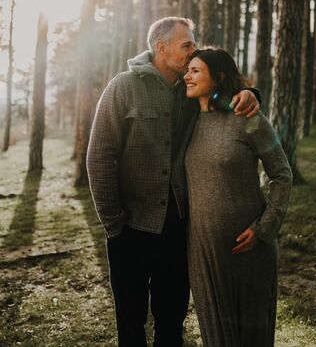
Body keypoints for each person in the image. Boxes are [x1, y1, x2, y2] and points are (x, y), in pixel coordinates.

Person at [86, 17, 260, 347]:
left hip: (178, 231)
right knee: (130, 324)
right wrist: (114, 224)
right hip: (129, 231)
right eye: (187, 45)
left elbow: (231, 98)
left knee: (171, 324)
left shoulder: (191, 88)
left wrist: (251, 95)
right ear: (162, 49)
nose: (193, 51)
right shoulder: (123, 87)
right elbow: (99, 157)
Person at [184, 47, 292, 347]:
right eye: (186, 70)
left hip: (250, 251)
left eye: (195, 71)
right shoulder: (186, 119)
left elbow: (282, 174)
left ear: (218, 77)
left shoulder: (248, 118)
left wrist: (265, 229)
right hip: (204, 254)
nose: (187, 77)